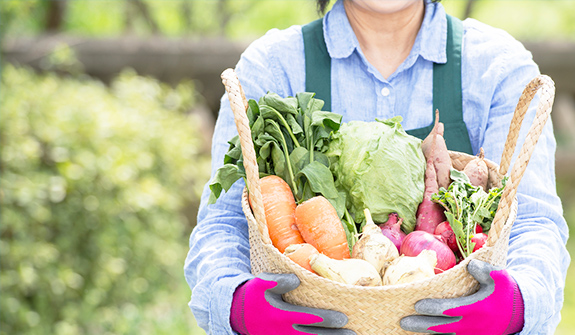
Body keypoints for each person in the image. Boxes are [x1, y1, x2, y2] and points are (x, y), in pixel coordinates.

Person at [184, 0, 570, 334]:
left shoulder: (497, 67)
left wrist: (518, 305)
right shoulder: (273, 67)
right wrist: (235, 304)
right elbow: (224, 225)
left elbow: (533, 223)